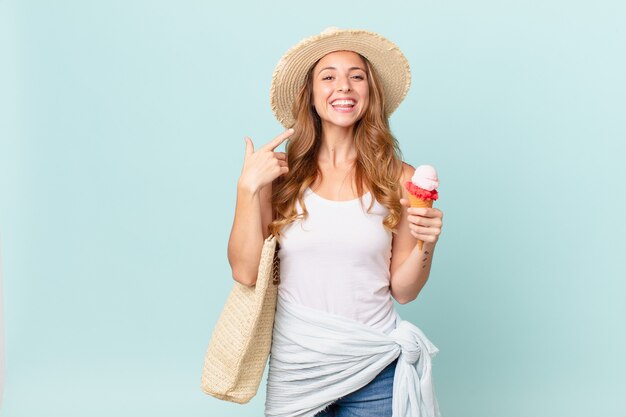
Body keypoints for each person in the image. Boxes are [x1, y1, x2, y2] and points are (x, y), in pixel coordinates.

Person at [227, 27, 444, 417]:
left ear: (369, 92)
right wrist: (247, 189)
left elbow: (405, 291)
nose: (343, 86)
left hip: (373, 367)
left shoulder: (400, 178)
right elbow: (245, 272)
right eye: (328, 76)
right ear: (310, 94)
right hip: (297, 367)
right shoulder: (280, 175)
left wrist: (427, 243)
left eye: (356, 76)